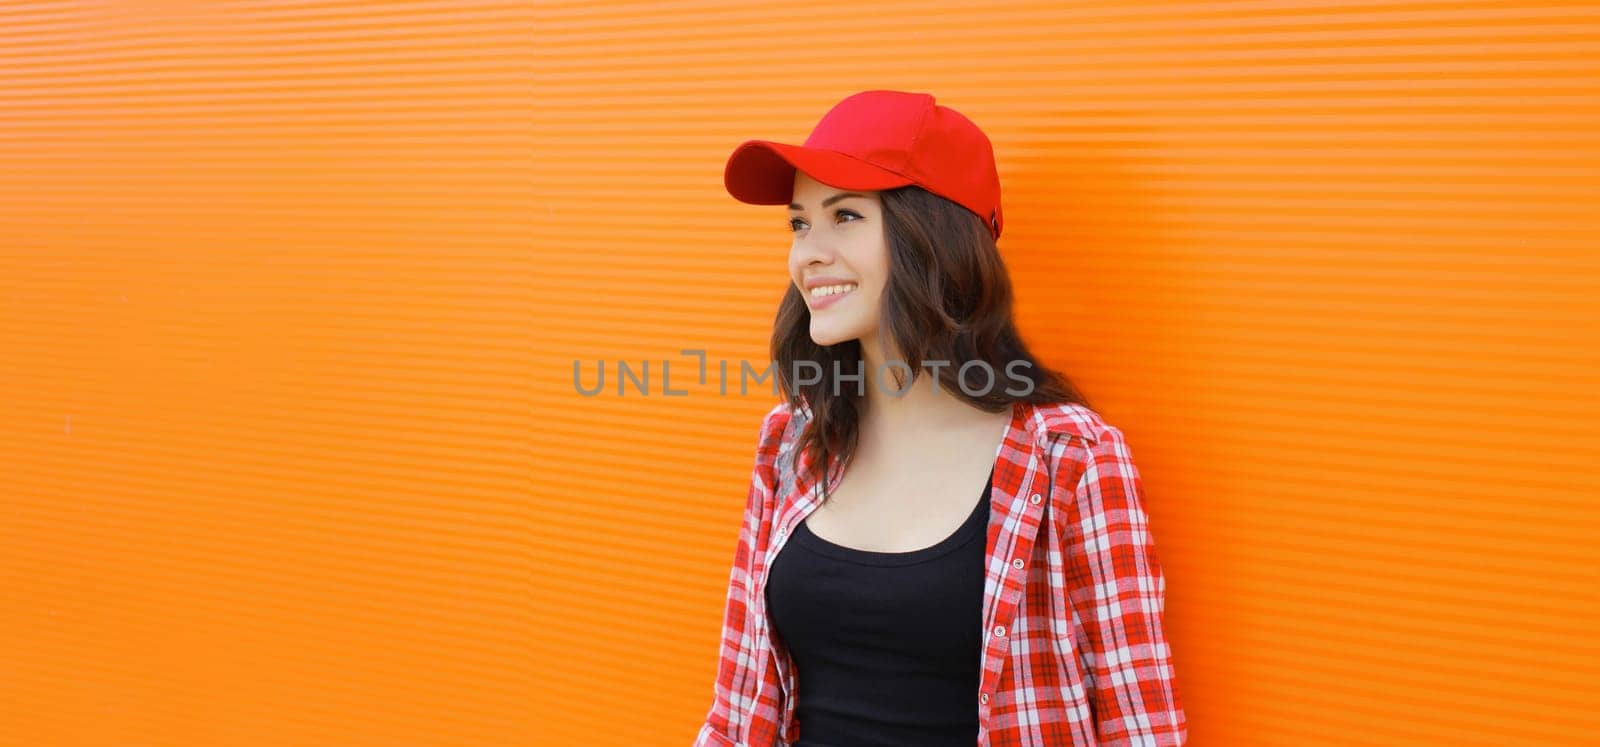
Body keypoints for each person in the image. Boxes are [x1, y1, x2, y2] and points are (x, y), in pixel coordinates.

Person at [693, 90, 1185, 747]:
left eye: (844, 216)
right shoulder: (791, 441)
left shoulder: (1071, 458)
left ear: (934, 237)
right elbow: (735, 714)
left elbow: (1142, 728)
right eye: (800, 223)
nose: (806, 254)